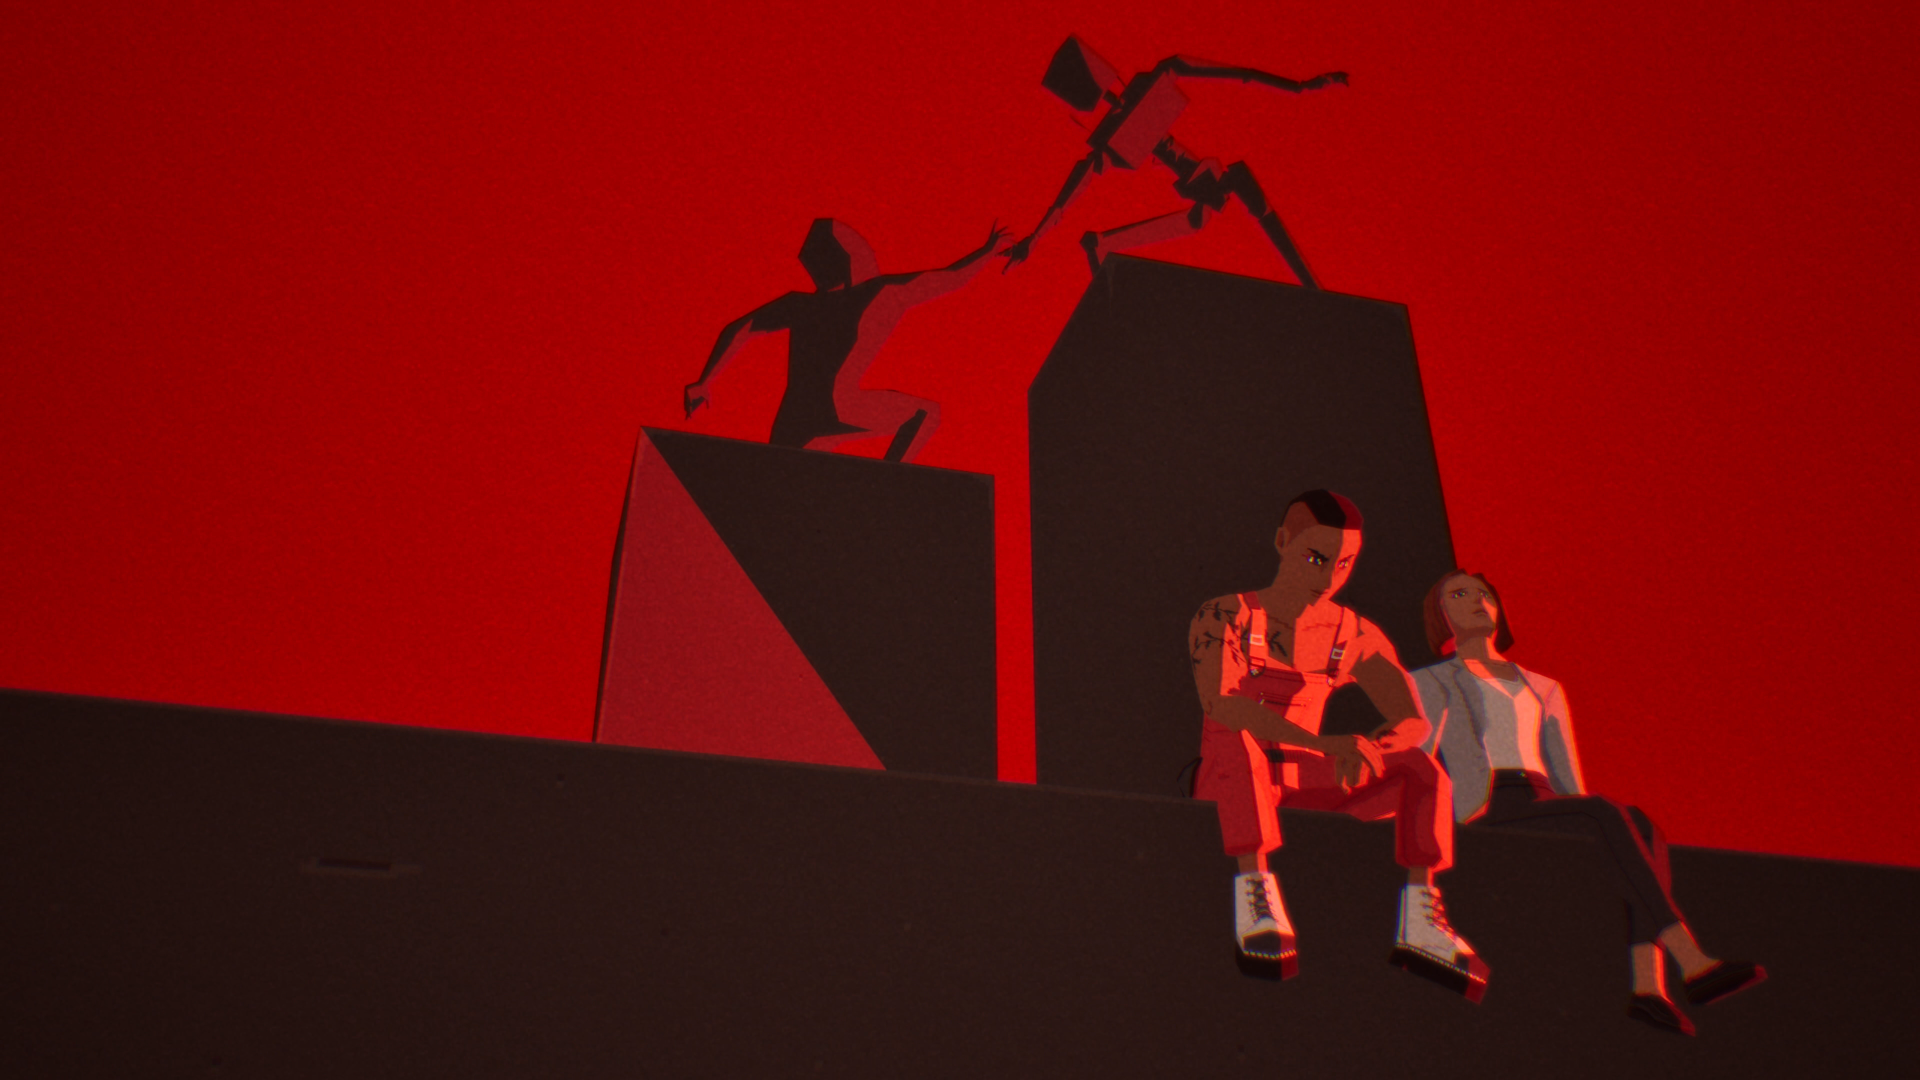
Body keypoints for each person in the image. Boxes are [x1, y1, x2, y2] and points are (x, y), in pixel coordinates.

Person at [1412, 570, 1766, 1034]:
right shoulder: (1431, 680)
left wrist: (1583, 816)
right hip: (1487, 804)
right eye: (1460, 594)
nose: (1477, 601)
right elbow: (1419, 754)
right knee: (1604, 813)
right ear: (1440, 615)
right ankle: (1691, 958)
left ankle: (1649, 989)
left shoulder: (1542, 686)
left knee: (1638, 823)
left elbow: (1566, 774)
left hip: (1542, 800)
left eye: (1485, 594)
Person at [1187, 490, 1487, 999]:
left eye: (1344, 564)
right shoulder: (1225, 614)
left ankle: (1421, 918)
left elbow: (1412, 719)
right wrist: (1324, 742)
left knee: (1420, 767)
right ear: (1283, 541)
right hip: (1232, 776)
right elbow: (1222, 703)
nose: (1328, 578)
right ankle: (1256, 895)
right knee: (1237, 735)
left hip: (1305, 779)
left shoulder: (1355, 633)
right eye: (1316, 559)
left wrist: (1374, 747)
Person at [1001, 36, 1346, 286]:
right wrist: (1034, 238)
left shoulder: (1140, 101)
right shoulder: (1129, 118)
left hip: (1192, 174)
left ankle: (1102, 244)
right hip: (1193, 173)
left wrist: (1299, 86)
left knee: (1201, 215)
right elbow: (1071, 192)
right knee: (1229, 193)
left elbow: (1229, 72)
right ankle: (1313, 288)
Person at [684, 219, 1009, 463]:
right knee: (926, 413)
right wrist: (989, 251)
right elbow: (951, 278)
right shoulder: (880, 293)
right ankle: (889, 482)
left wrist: (704, 381)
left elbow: (738, 328)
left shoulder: (799, 304)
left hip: (791, 420)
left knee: (799, 479)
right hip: (838, 407)